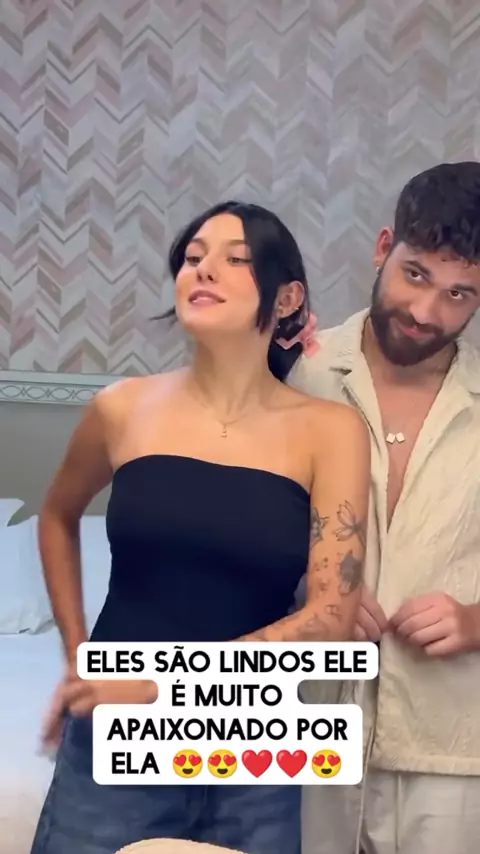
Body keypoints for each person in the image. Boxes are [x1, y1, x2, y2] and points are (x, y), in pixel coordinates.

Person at [29, 200, 371, 854]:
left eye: (235, 259)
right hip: (120, 727)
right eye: (192, 258)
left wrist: (161, 682)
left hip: (254, 740)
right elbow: (56, 514)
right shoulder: (122, 408)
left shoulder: (331, 430)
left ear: (288, 297)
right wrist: (79, 655)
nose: (203, 270)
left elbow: (332, 614)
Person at [289, 161, 480, 854]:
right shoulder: (299, 374)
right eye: (416, 275)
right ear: (382, 248)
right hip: (310, 725)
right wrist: (312, 588)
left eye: (459, 294)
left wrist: (476, 621)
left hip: (451, 743)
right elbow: (245, 530)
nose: (427, 312)